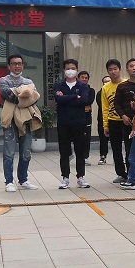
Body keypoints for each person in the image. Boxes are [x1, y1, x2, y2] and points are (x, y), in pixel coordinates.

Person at [0, 54, 39, 192]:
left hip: (26, 120)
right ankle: (9, 181)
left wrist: (20, 94)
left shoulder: (28, 81)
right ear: (8, 66)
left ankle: (23, 179)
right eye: (14, 63)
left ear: (23, 65)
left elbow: (35, 98)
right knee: (9, 153)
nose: (17, 66)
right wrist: (25, 94)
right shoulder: (3, 81)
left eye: (19, 63)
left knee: (26, 152)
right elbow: (9, 96)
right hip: (10, 121)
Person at [53, 58, 92, 190]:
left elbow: (84, 101)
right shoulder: (59, 85)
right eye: (68, 68)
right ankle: (65, 177)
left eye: (73, 68)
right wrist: (75, 97)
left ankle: (81, 177)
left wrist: (66, 98)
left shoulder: (83, 86)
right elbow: (58, 99)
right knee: (64, 152)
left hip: (79, 122)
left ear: (77, 70)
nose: (70, 71)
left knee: (80, 151)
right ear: (64, 70)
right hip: (63, 123)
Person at [101, 59, 127, 182]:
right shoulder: (105, 88)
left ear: (120, 69)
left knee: (130, 148)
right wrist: (105, 125)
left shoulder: (127, 83)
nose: (113, 71)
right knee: (116, 149)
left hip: (127, 120)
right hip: (113, 120)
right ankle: (121, 173)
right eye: (110, 69)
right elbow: (105, 108)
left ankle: (132, 173)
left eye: (115, 69)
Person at [78, 70, 95, 162]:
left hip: (86, 117)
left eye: (86, 78)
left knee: (86, 137)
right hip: (75, 116)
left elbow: (89, 101)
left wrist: (78, 100)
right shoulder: (74, 89)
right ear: (78, 78)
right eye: (82, 77)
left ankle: (85, 157)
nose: (84, 79)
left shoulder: (91, 90)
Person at [96, 74, 110, 165]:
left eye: (109, 81)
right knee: (103, 138)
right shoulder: (99, 93)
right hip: (103, 118)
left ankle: (119, 157)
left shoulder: (117, 91)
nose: (107, 83)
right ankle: (103, 156)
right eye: (105, 82)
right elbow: (102, 105)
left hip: (115, 118)